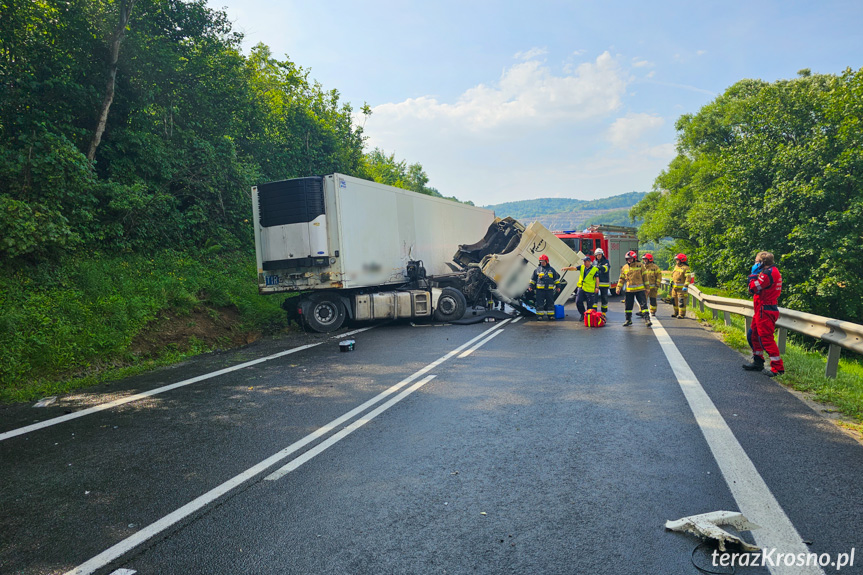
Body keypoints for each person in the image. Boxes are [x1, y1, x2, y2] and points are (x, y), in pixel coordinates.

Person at [743, 251, 784, 376]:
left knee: (766, 338)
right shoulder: (771, 271)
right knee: (753, 335)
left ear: (761, 263)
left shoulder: (767, 274)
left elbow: (752, 289)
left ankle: (778, 368)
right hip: (761, 309)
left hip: (765, 310)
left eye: (756, 261)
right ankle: (758, 362)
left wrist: (753, 275)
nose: (754, 263)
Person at [616, 251, 652, 327]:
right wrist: (618, 288)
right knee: (628, 306)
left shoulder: (640, 265)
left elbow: (645, 278)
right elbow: (621, 279)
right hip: (629, 291)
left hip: (640, 290)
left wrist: (647, 288)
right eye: (628, 259)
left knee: (643, 305)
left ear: (634, 258)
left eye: (630, 258)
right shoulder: (625, 267)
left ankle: (647, 319)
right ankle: (628, 320)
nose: (629, 260)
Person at [562, 255, 599, 321]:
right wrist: (566, 268)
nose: (584, 263)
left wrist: (597, 287)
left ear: (589, 262)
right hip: (581, 288)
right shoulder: (582, 267)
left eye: (585, 261)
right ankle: (583, 314)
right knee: (578, 301)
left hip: (589, 289)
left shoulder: (594, 269)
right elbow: (574, 268)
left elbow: (597, 279)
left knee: (589, 305)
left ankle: (589, 317)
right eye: (583, 261)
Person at [528, 254, 561, 320]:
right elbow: (533, 279)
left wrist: (558, 287)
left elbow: (556, 280)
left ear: (547, 261)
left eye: (543, 261)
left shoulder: (552, 270)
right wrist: (530, 286)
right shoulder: (537, 270)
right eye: (541, 261)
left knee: (550, 303)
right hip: (540, 290)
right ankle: (540, 316)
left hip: (549, 290)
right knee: (540, 303)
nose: (542, 263)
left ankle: (551, 316)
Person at [670, 253, 691, 318]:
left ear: (682, 260)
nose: (676, 261)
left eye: (677, 259)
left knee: (681, 302)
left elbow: (688, 278)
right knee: (674, 301)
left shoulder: (686, 268)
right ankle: (675, 312)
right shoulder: (676, 267)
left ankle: (681, 314)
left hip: (681, 289)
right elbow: (673, 276)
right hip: (674, 288)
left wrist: (685, 285)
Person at [593, 248, 611, 316]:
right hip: (596, 283)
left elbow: (606, 269)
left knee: (604, 298)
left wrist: (599, 267)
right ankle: (594, 311)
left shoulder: (606, 261)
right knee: (594, 298)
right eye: (597, 255)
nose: (598, 256)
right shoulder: (594, 261)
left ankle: (604, 312)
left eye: (600, 254)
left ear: (602, 255)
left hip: (604, 283)